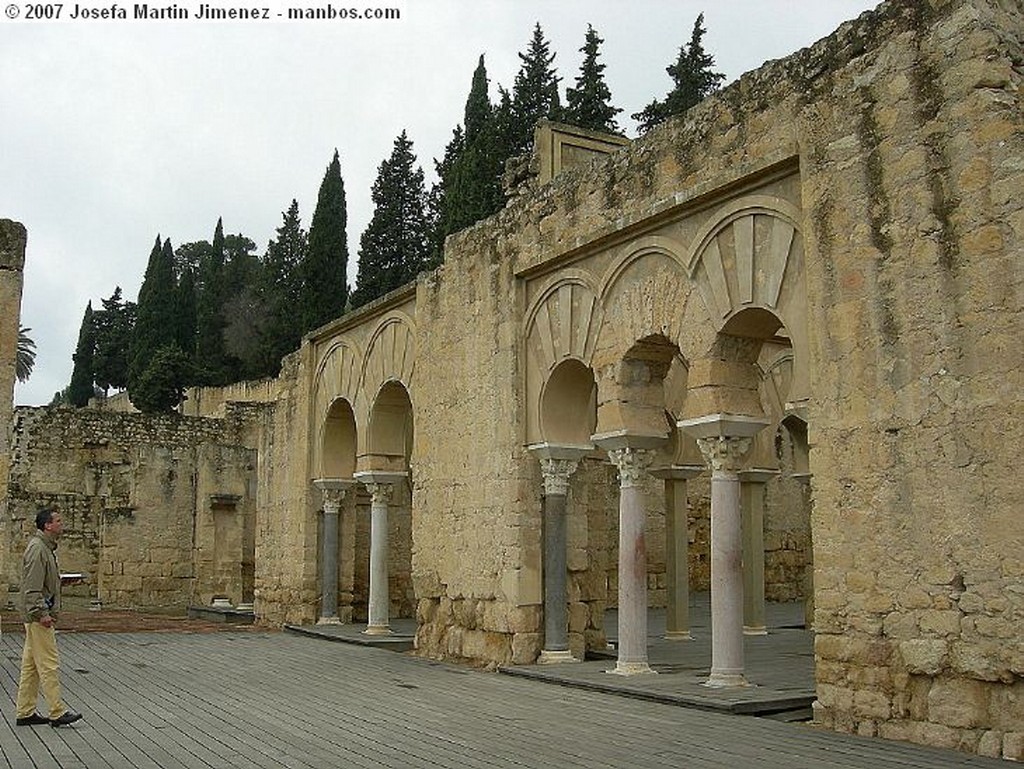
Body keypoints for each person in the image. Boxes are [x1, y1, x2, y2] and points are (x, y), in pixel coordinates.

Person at [15, 508, 82, 727]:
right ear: (47, 525)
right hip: (38, 616)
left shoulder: (44, 548)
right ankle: (56, 711)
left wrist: (60, 582)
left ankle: (25, 711)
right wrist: (42, 613)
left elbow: (43, 581)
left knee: (31, 665)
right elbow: (32, 587)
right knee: (49, 662)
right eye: (58, 521)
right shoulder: (38, 549)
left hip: (36, 613)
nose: (62, 524)